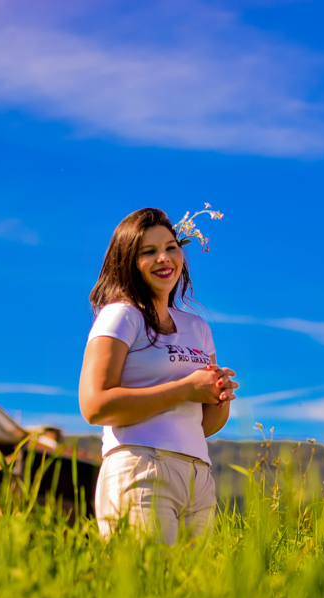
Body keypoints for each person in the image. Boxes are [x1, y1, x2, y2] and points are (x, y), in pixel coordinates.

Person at [79, 207, 238, 544]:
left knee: (192, 595)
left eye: (170, 247)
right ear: (127, 262)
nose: (164, 258)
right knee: (147, 591)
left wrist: (219, 395)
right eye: (148, 252)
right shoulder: (121, 315)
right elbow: (95, 405)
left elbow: (203, 423)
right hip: (140, 467)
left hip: (198, 475)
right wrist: (184, 389)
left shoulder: (198, 328)